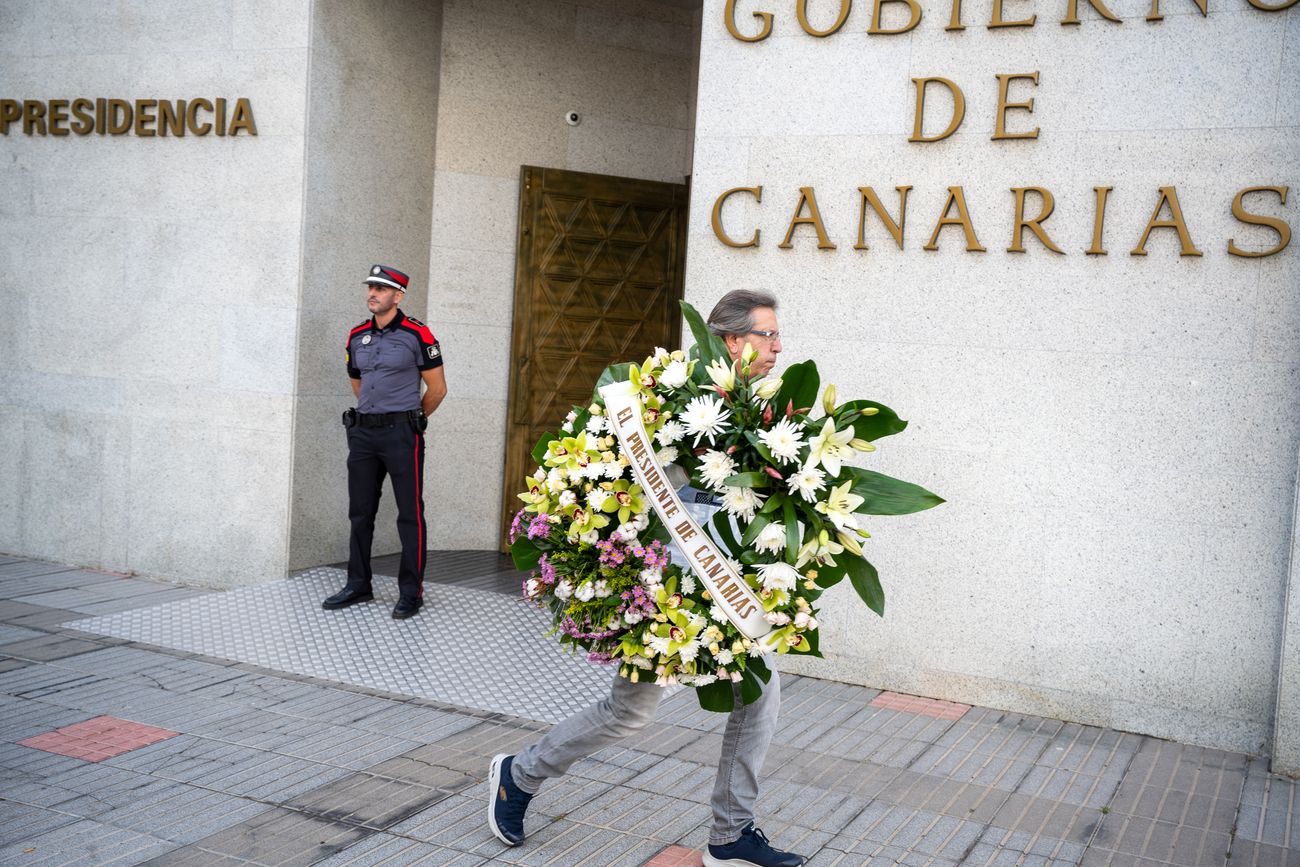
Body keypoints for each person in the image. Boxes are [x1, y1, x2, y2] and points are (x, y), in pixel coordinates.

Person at [488, 290, 802, 867]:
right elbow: (638, 478)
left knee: (759, 698)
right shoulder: (672, 396)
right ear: (732, 341)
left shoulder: (762, 410)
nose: (778, 348)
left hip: (724, 591)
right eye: (768, 336)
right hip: (662, 590)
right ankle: (520, 774)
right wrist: (698, 451)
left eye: (778, 337)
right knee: (627, 714)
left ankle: (731, 835)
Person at [323, 264, 447, 620]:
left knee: (410, 514)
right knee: (360, 512)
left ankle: (411, 591)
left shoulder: (417, 334)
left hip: (401, 434)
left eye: (380, 288)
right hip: (363, 434)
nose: (372, 294)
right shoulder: (356, 335)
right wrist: (372, 416)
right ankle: (358, 584)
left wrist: (411, 421)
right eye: (370, 288)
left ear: (398, 295)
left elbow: (437, 389)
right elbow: (358, 382)